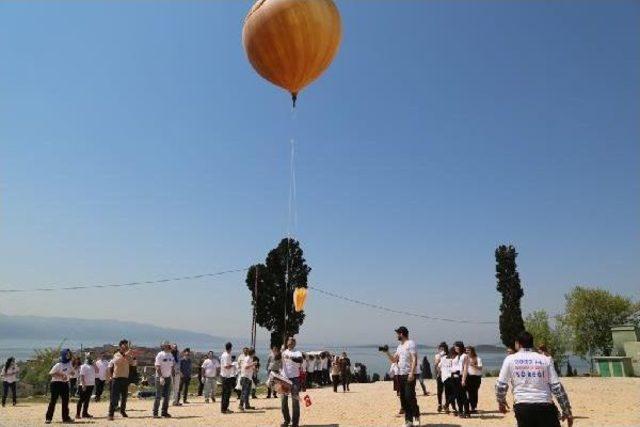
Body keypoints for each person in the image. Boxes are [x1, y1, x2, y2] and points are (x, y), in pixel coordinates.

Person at [496, 331, 573, 427]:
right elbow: (556, 387)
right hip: (545, 405)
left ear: (518, 343)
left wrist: (501, 402)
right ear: (532, 343)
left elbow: (500, 385)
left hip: (522, 406)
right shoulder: (545, 359)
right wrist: (566, 410)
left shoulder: (510, 359)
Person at [384, 326, 420, 427]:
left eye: (397, 334)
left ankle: (416, 417)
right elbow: (394, 360)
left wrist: (412, 373)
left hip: (409, 374)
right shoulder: (399, 346)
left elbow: (414, 359)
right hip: (400, 375)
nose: (396, 336)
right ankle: (408, 421)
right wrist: (387, 352)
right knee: (404, 398)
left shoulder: (411, 343)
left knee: (410, 397)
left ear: (401, 334)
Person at [45, 348, 74, 424]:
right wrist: (61, 375)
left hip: (65, 384)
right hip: (55, 384)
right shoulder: (58, 364)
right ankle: (48, 418)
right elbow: (51, 373)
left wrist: (71, 373)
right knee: (53, 401)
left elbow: (72, 372)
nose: (69, 356)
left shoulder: (69, 363)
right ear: (64, 355)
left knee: (65, 401)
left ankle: (66, 418)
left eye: (69, 354)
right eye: (67, 354)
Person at [108, 339, 133, 420]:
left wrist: (131, 356)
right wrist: (125, 355)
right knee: (114, 397)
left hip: (125, 378)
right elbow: (117, 362)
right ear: (120, 346)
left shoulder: (127, 354)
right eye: (124, 345)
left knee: (124, 397)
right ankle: (110, 414)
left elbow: (132, 363)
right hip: (117, 378)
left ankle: (122, 411)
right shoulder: (117, 354)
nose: (126, 346)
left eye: (127, 345)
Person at [281, 337, 303, 427]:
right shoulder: (283, 352)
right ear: (287, 343)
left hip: (295, 379)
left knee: (295, 401)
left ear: (294, 344)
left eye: (291, 342)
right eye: (288, 342)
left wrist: (290, 357)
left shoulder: (297, 352)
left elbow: (300, 360)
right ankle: (286, 420)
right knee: (283, 401)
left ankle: (295, 423)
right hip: (284, 378)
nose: (290, 343)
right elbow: (277, 358)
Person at [153, 341, 175, 418]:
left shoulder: (171, 355)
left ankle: (164, 412)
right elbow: (157, 366)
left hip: (168, 377)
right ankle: (155, 413)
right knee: (158, 396)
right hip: (160, 378)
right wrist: (161, 377)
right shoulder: (160, 354)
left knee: (167, 396)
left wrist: (172, 376)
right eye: (168, 346)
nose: (169, 347)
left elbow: (172, 366)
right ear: (164, 346)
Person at [76, 353, 96, 419]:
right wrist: (83, 385)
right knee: (81, 400)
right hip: (84, 385)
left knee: (87, 400)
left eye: (92, 357)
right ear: (87, 358)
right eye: (90, 357)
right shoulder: (83, 366)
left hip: (91, 385)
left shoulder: (93, 365)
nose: (91, 358)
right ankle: (78, 414)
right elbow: (82, 376)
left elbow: (97, 371)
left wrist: (94, 364)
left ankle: (85, 413)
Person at [439, 347, 457, 414]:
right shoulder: (454, 359)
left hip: (444, 378)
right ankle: (448, 405)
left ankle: (448, 408)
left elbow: (438, 366)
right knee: (455, 392)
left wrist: (440, 374)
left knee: (448, 393)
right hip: (451, 377)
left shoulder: (443, 358)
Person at [466, 346, 483, 413]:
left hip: (476, 378)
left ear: (472, 351)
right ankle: (472, 407)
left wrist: (473, 365)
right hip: (468, 377)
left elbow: (480, 368)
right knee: (469, 393)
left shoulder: (478, 358)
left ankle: (473, 407)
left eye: (468, 350)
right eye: (466, 350)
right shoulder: (465, 359)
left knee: (474, 392)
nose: (467, 352)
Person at [219, 342, 235, 414]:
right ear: (230, 348)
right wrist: (233, 365)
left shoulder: (224, 354)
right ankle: (224, 409)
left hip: (225, 375)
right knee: (226, 393)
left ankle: (224, 408)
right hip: (226, 376)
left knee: (225, 393)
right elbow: (226, 366)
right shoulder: (227, 355)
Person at [434, 342, 447, 412]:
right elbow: (436, 365)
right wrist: (439, 358)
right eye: (440, 348)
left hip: (447, 375)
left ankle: (446, 404)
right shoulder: (437, 356)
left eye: (442, 348)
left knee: (447, 391)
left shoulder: (448, 355)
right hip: (440, 375)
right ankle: (439, 404)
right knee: (439, 390)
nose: (441, 350)